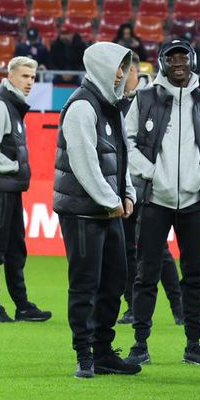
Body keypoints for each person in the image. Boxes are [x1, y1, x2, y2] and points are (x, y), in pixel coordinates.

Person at [124, 39, 200, 368]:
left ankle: (194, 344)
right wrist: (151, 172)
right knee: (146, 274)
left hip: (196, 200)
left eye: (184, 56)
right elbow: (128, 143)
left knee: (195, 275)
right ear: (162, 62)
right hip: (155, 199)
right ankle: (140, 344)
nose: (179, 62)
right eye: (172, 57)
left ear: (193, 60)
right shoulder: (144, 99)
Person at [53, 41, 141, 379]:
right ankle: (84, 354)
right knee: (84, 284)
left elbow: (120, 157)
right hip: (83, 212)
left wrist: (127, 191)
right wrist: (111, 199)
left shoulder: (111, 106)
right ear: (104, 68)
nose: (124, 73)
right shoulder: (81, 107)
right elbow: (83, 161)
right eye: (120, 66)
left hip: (110, 210)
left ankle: (103, 352)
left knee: (115, 281)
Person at [0, 56, 52, 324]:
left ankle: (21, 305)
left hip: (8, 187)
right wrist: (13, 167)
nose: (30, 82)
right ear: (10, 77)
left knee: (15, 248)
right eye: (24, 77)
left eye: (32, 78)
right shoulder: (1, 107)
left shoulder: (13, 106)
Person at [117, 53, 183, 327]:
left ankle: (178, 304)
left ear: (136, 73)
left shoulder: (147, 102)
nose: (121, 77)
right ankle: (132, 305)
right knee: (124, 250)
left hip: (144, 188)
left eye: (126, 71)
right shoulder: (113, 104)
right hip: (119, 188)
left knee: (157, 251)